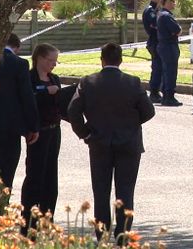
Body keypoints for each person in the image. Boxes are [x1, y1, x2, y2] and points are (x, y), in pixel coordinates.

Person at [67, 43, 155, 244]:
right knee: (125, 191)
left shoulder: (88, 82)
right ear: (121, 60)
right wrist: (130, 124)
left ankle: (102, 235)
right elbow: (149, 111)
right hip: (128, 144)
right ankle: (123, 235)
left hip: (98, 142)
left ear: (102, 60)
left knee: (101, 191)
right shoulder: (133, 83)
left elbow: (73, 111)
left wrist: (85, 133)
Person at [0, 33, 39, 190]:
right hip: (10, 127)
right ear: (17, 47)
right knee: (5, 173)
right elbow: (26, 96)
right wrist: (33, 126)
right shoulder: (20, 64)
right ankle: (0, 208)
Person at [20, 43, 62, 235]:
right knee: (35, 175)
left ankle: (47, 221)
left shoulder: (55, 78)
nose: (54, 64)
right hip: (38, 132)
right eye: (51, 60)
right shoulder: (29, 78)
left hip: (54, 131)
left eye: (55, 61)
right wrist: (46, 92)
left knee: (51, 177)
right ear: (40, 59)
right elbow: (28, 101)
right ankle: (28, 223)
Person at [157, 0, 183, 106]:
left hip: (165, 46)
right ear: (165, 2)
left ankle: (166, 96)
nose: (174, 2)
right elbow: (177, 30)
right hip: (169, 46)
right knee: (171, 72)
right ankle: (169, 97)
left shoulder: (162, 14)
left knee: (166, 71)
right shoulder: (166, 16)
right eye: (171, 0)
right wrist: (177, 30)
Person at [142, 0, 164, 104]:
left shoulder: (157, 9)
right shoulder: (150, 11)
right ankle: (154, 92)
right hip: (155, 42)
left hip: (159, 41)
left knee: (160, 68)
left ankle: (157, 91)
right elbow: (154, 25)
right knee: (157, 68)